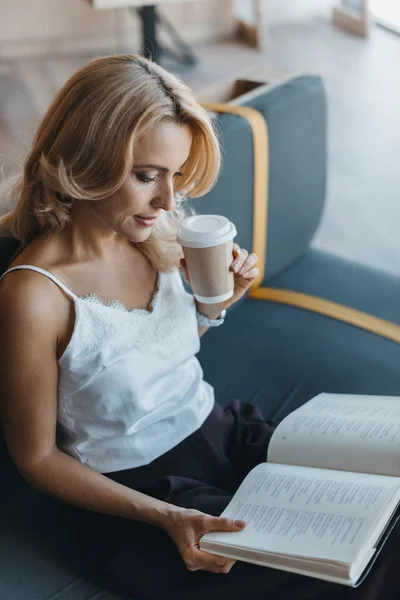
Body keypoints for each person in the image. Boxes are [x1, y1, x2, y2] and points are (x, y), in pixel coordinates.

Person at [0, 54, 398, 600]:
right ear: (87, 157)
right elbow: (37, 458)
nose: (167, 201)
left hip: (223, 432)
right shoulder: (35, 295)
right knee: (356, 574)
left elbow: (151, 354)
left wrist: (215, 305)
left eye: (175, 178)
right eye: (146, 177)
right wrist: (164, 515)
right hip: (138, 495)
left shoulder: (157, 232)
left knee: (387, 506)